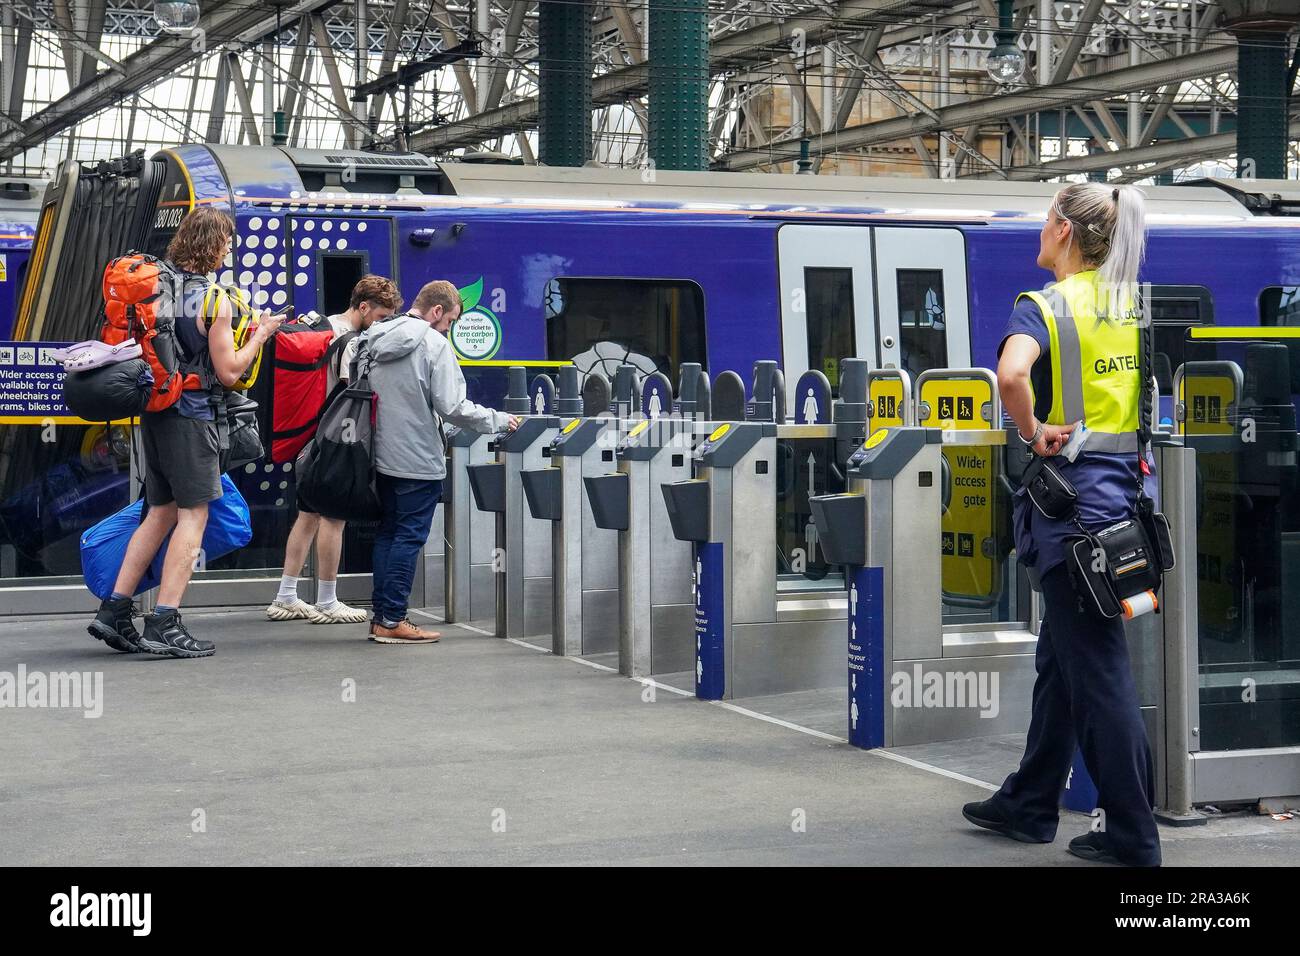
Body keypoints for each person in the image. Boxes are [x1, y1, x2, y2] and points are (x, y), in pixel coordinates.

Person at [962, 183, 1162, 867]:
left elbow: (1010, 375)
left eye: (1046, 221)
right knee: (1063, 661)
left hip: (1068, 516)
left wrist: (1032, 429)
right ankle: (1029, 802)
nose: (1039, 231)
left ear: (1065, 233)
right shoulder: (1128, 307)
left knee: (1101, 675)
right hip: (1120, 512)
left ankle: (1134, 836)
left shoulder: (1043, 307)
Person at [88, 207, 282, 658]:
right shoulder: (218, 299)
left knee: (159, 512)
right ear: (213, 245)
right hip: (194, 419)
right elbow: (230, 372)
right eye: (228, 241)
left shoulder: (161, 289)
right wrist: (261, 334)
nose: (231, 248)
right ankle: (164, 621)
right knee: (193, 516)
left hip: (155, 412)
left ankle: (115, 610)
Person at [361, 279, 519, 644]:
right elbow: (452, 407)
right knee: (409, 536)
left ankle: (381, 615)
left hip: (379, 456)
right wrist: (497, 420)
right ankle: (392, 620)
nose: (448, 328)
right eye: (449, 321)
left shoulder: (375, 335)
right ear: (436, 312)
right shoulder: (433, 344)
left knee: (388, 533)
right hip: (417, 458)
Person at [266, 275, 401, 624]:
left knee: (308, 515)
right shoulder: (352, 341)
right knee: (334, 518)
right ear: (364, 307)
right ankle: (327, 600)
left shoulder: (325, 325)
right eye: (381, 316)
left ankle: (286, 595)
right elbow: (349, 392)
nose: (383, 324)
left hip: (310, 438)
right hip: (335, 439)